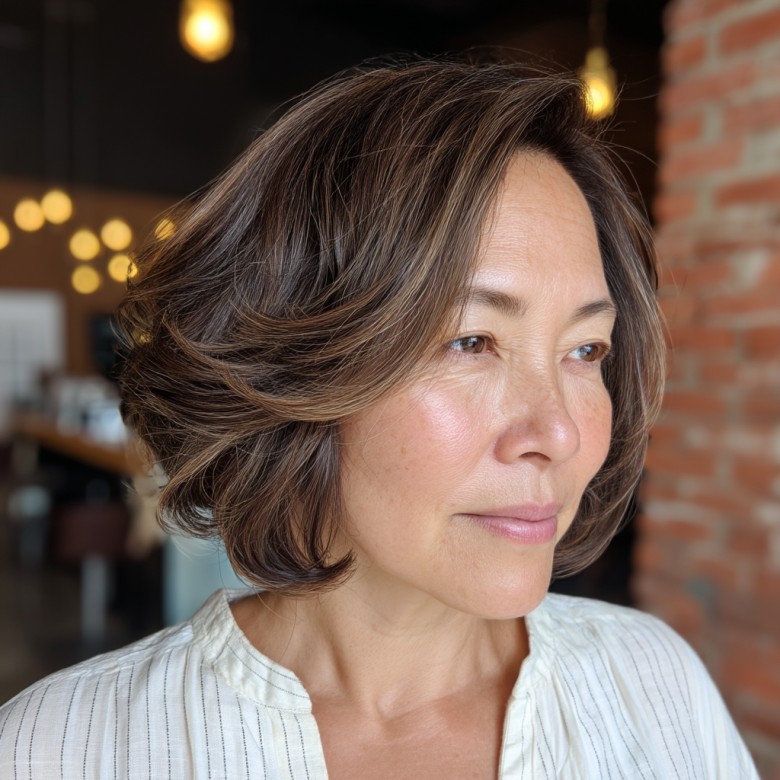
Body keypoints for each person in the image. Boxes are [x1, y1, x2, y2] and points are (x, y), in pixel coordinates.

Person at [0, 58, 758, 779]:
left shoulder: (655, 688)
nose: (559, 434)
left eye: (586, 350)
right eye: (472, 342)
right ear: (295, 365)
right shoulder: (65, 750)